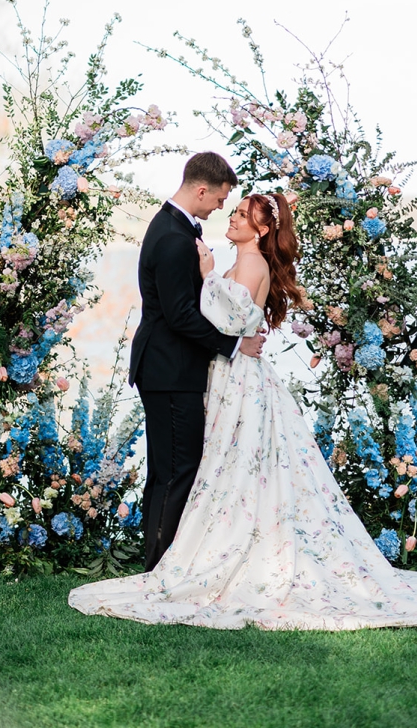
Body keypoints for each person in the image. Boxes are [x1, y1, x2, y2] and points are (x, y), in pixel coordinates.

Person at [72, 190, 417, 628]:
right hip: (233, 376)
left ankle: (233, 558)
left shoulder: (247, 263)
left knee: (234, 468)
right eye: (229, 211)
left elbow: (233, 321)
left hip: (240, 380)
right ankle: (209, 553)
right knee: (229, 469)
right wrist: (214, 276)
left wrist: (206, 277)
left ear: (257, 230)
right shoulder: (243, 259)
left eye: (241, 214)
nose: (230, 217)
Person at [128, 152, 264, 571]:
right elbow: (180, 315)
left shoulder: (178, 228)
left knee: (169, 470)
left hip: (171, 368)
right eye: (222, 198)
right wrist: (233, 345)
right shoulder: (172, 237)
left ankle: (159, 563)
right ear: (202, 189)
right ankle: (157, 570)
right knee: (176, 472)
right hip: (170, 370)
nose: (223, 206)